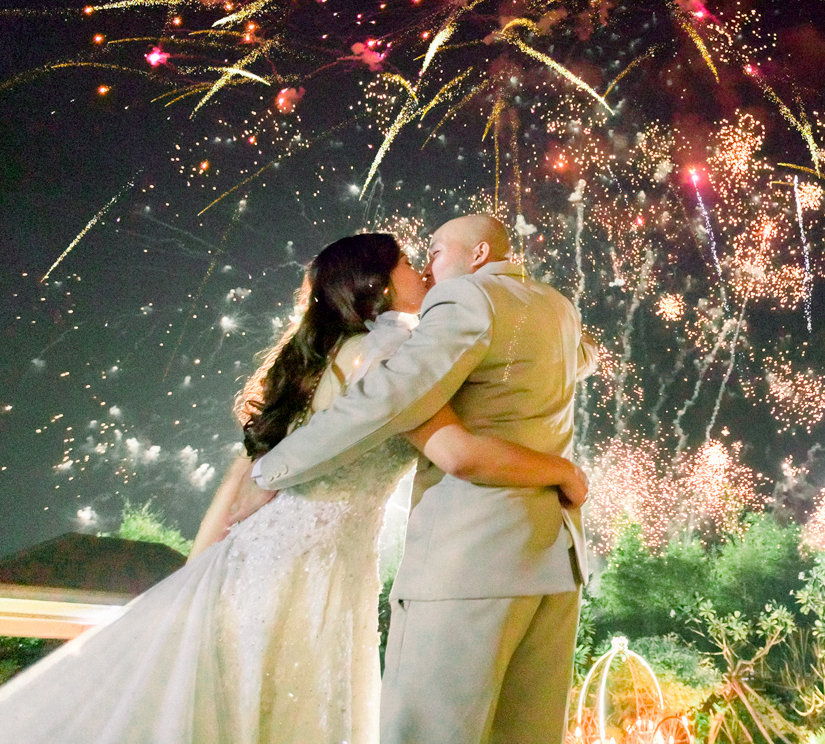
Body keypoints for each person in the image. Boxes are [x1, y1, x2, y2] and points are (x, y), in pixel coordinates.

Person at [0, 232, 586, 744]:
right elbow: (456, 452)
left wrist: (196, 571)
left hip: (263, 553)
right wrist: (562, 470)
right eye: (411, 263)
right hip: (314, 565)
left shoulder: (322, 354)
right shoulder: (392, 354)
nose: (425, 273)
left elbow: (243, 475)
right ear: (378, 285)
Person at [235, 214, 596, 744]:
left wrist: (273, 469)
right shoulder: (558, 308)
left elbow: (389, 399)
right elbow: (577, 359)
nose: (427, 269)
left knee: (426, 732)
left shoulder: (465, 298)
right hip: (555, 561)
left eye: (435, 253)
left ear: (477, 256)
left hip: (468, 560)